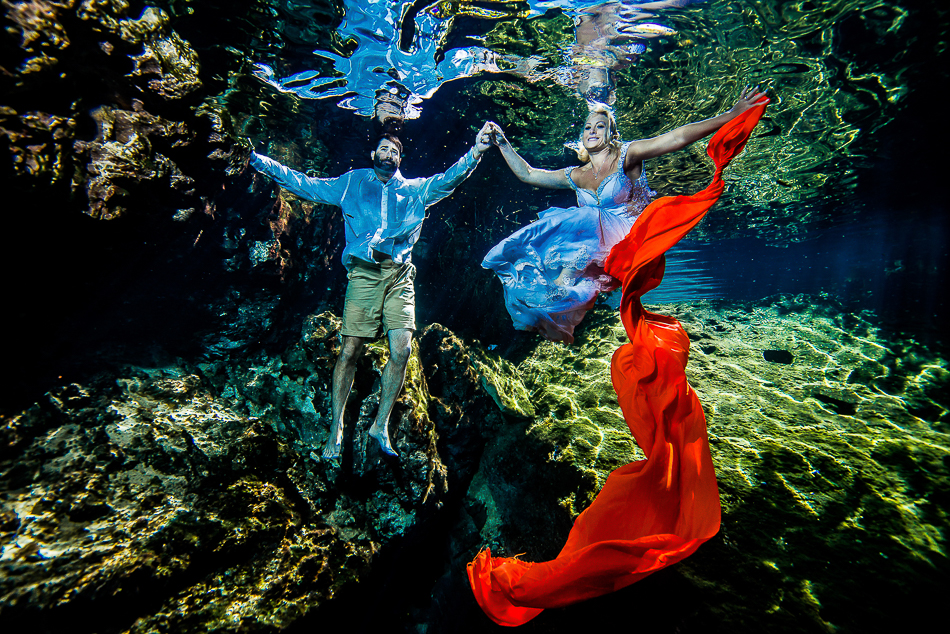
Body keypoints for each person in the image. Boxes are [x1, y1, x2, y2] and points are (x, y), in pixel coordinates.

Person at [249, 123, 494, 458]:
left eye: (394, 151)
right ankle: (336, 428)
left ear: (400, 158)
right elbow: (305, 184)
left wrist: (477, 151)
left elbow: (449, 179)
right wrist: (258, 161)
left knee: (402, 350)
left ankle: (380, 425)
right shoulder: (351, 183)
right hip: (364, 274)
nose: (388, 154)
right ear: (373, 154)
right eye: (383, 148)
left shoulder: (415, 191)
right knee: (349, 350)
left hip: (400, 276)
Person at [482, 86, 768, 343]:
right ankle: (548, 313)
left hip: (631, 240)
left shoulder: (626, 156)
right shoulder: (576, 174)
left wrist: (732, 114)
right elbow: (529, 174)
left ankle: (554, 281)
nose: (592, 131)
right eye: (587, 127)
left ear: (611, 134)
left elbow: (678, 137)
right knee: (578, 287)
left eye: (601, 126)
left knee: (587, 216)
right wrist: (502, 142)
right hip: (596, 252)